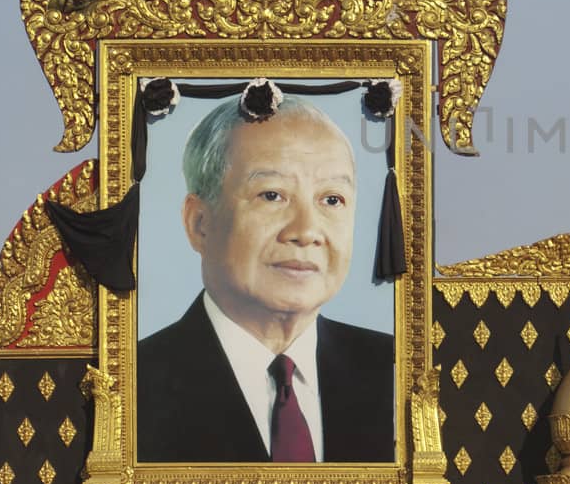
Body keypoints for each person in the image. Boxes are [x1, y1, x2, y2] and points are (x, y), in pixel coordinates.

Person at [137, 95, 394, 463]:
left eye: (332, 200)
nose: (306, 231)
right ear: (200, 223)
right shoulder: (133, 386)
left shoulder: (396, 373)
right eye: (271, 195)